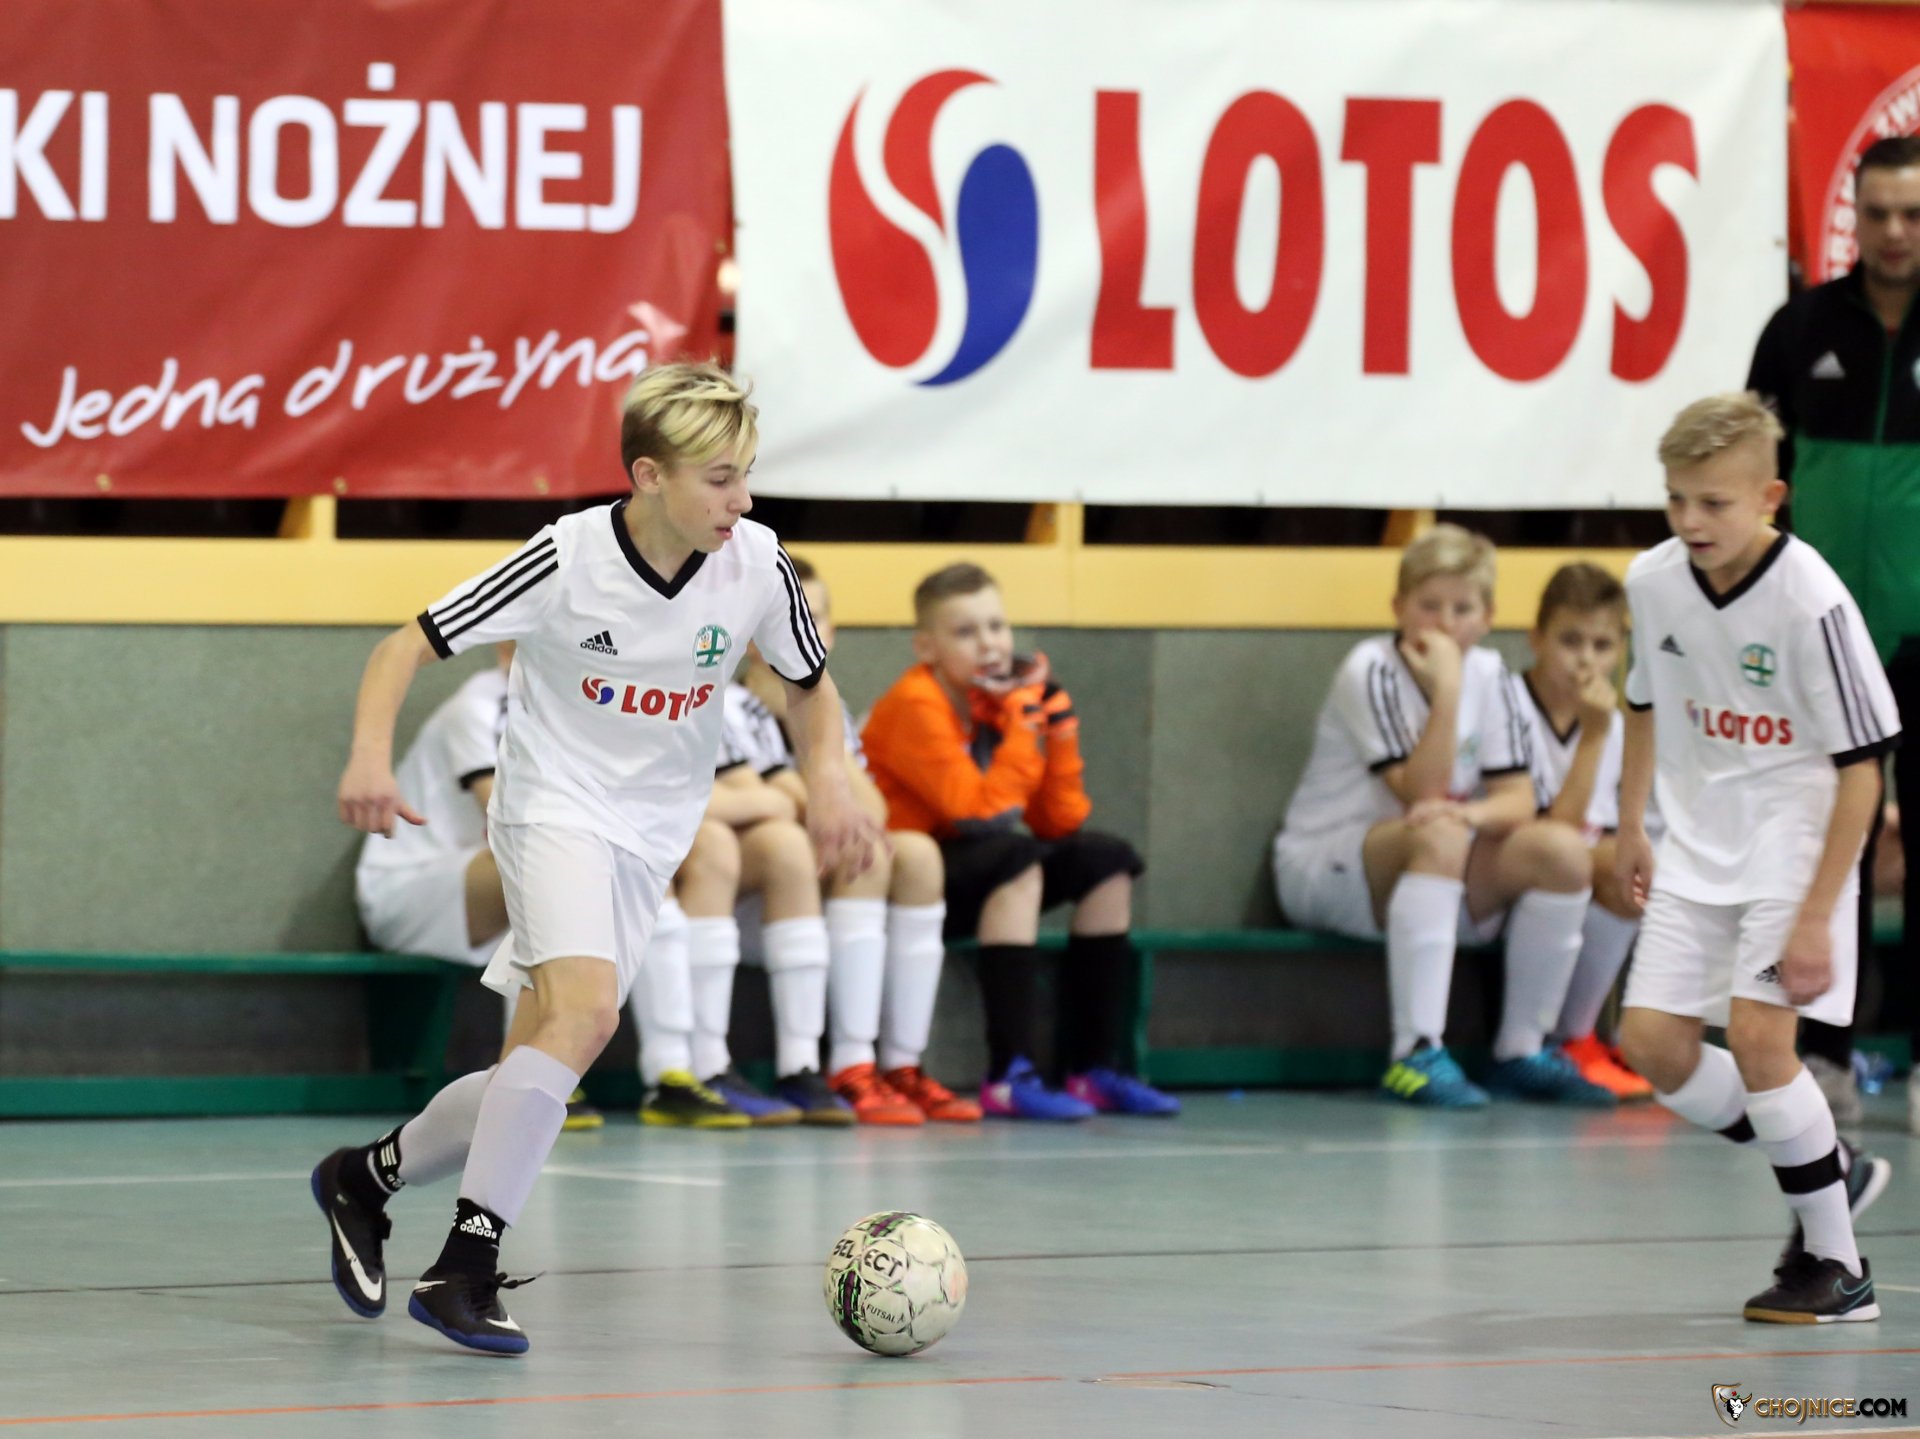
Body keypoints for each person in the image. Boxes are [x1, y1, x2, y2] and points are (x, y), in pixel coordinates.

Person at [312, 362, 879, 1355]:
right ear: (649, 475)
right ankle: (464, 1267)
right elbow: (406, 643)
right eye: (720, 478)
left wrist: (827, 777)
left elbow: (809, 683)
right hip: (551, 807)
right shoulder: (566, 555)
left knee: (534, 1063)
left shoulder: (758, 562)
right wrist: (367, 755)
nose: (743, 500)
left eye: (747, 474)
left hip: (651, 831)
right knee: (588, 1014)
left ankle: (366, 1176)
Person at [1616, 393, 1895, 1323]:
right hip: (1698, 840)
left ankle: (1839, 1269)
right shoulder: (1653, 580)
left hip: (1793, 842)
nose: (1691, 520)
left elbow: (1863, 770)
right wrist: (1629, 823)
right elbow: (1642, 703)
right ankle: (1828, 1168)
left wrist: (1819, 913)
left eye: (1714, 502)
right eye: (1676, 498)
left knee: (1762, 1041)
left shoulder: (1811, 596)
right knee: (1650, 1044)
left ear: (1771, 497)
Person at [1274, 525, 1611, 1108]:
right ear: (1398, 607)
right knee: (1438, 832)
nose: (1446, 623)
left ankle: (1522, 1049)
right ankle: (1415, 1052)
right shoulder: (1370, 668)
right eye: (1429, 606)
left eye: (1463, 609)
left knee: (1560, 852)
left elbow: (1518, 800)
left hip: (1434, 861)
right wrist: (1448, 690)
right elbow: (1421, 792)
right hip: (1327, 866)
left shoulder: (1493, 673)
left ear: (1488, 617)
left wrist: (1472, 813)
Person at [862, 563, 1179, 1118]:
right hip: (907, 879)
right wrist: (1024, 728)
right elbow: (978, 814)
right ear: (926, 647)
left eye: (997, 626)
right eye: (966, 632)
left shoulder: (997, 701)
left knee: (1105, 861)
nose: (989, 645)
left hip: (975, 865)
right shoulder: (916, 702)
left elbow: (1059, 822)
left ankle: (1093, 1068)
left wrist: (1060, 734)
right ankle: (1010, 1074)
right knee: (1015, 858)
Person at [1747, 135, 1920, 1134]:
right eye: (1879, 212)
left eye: (1914, 214)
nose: (1894, 232)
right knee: (1829, 847)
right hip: (1822, 639)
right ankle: (1826, 1051)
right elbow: (1750, 469)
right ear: (1856, 214)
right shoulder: (1800, 327)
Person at [733, 555, 977, 1123]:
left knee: (916, 854)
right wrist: (811, 776)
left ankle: (899, 1064)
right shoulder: (731, 705)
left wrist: (810, 732)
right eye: (782, 619)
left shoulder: (828, 708)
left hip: (823, 887)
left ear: (832, 631)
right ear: (749, 637)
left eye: (813, 617)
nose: (800, 630)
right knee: (855, 854)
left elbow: (871, 812)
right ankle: (849, 1062)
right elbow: (795, 806)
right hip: (755, 902)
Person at [354, 641, 600, 1130]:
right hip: (410, 888)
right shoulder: (479, 706)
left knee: (583, 864)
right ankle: (529, 1071)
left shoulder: (578, 712)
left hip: (482, 880)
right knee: (539, 858)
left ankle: (683, 1071)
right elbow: (504, 822)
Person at [1511, 564, 1654, 1100]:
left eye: (1602, 645)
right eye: (1570, 641)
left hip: (1570, 869)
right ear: (1537, 638)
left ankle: (1581, 1037)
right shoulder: (1509, 703)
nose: (1586, 660)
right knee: (1578, 856)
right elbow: (1559, 834)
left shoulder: (1616, 724)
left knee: (1634, 875)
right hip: (1508, 867)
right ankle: (1551, 1041)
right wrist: (1593, 736)